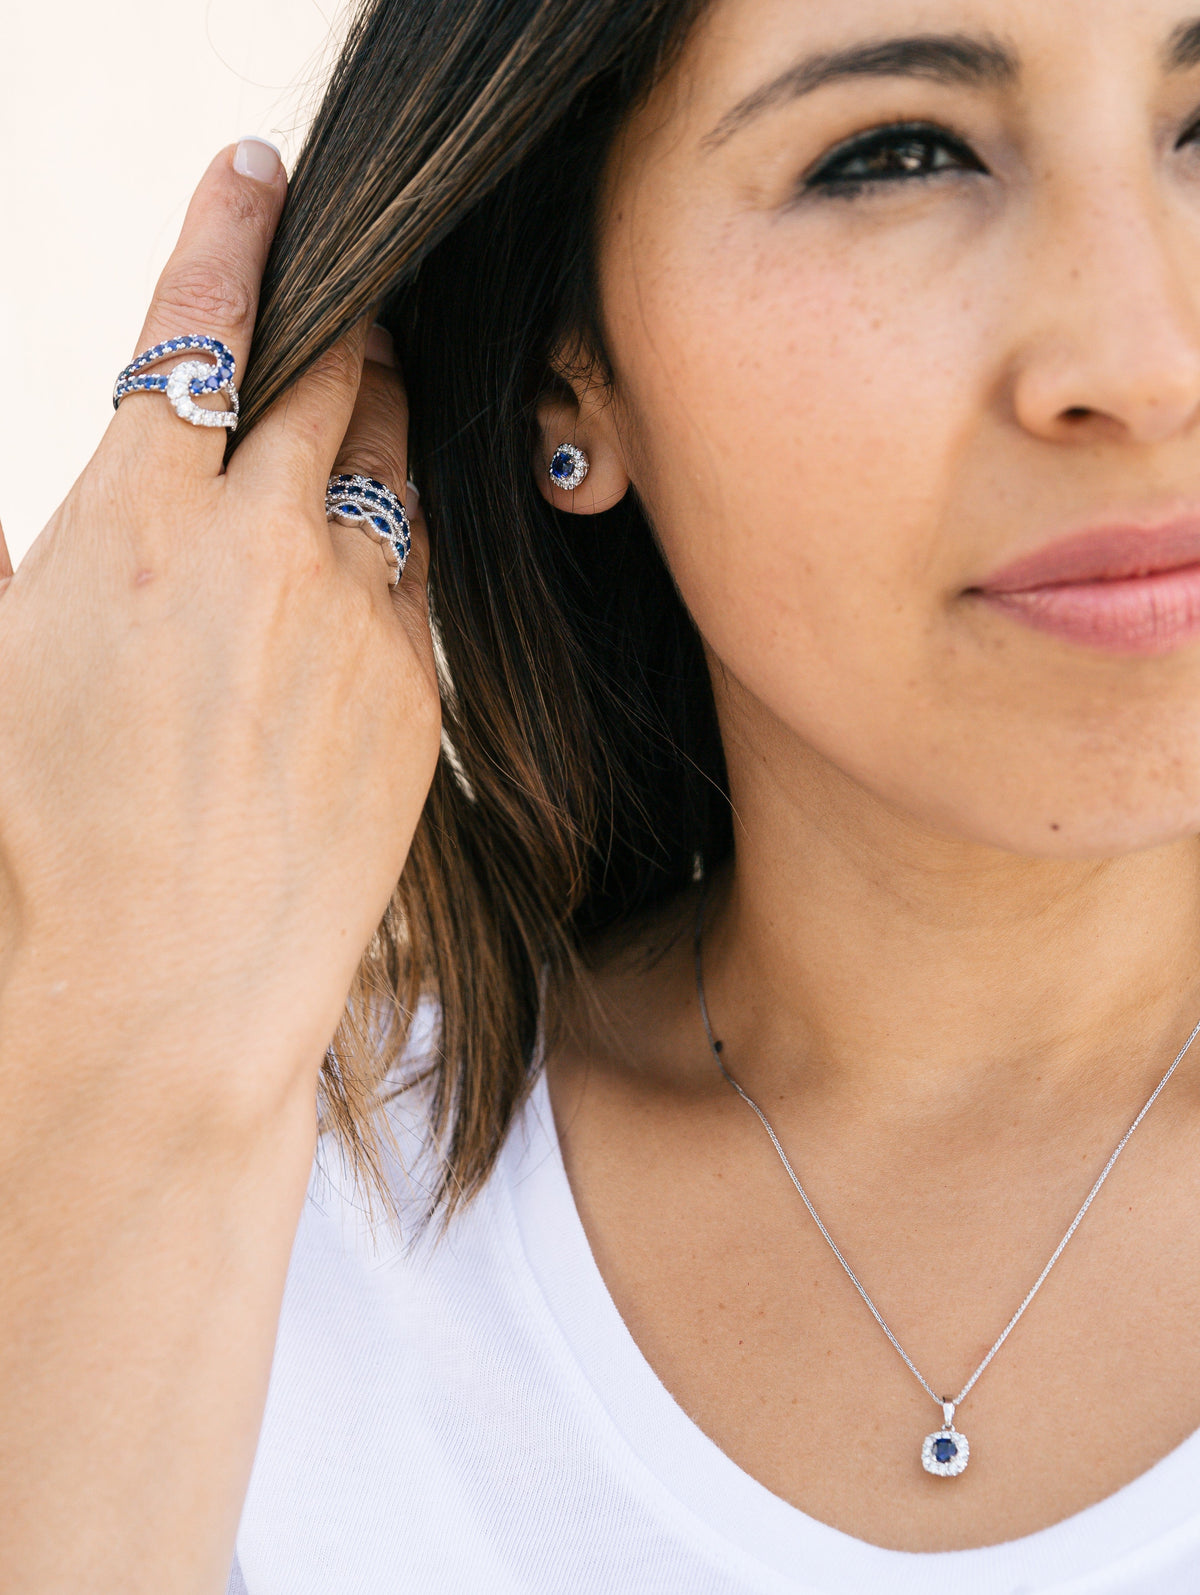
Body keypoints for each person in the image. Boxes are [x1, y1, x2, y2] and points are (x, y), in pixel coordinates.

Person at [6, 0, 1200, 1588]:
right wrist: (138, 1057)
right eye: (895, 153)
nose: (1143, 360)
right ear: (576, 380)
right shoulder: (212, 1163)